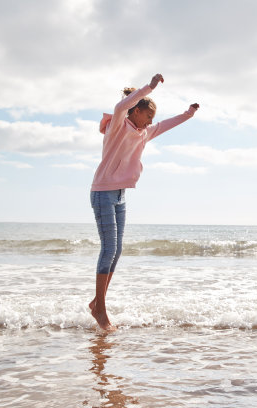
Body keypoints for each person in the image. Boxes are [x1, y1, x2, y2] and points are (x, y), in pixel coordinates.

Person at [89, 72, 199, 330]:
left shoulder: (144, 133)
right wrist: (148, 88)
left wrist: (188, 114)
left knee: (116, 251)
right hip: (103, 191)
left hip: (120, 195)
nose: (151, 122)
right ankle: (101, 310)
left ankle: (98, 302)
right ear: (135, 111)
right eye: (147, 115)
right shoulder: (118, 125)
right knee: (108, 249)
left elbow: (168, 124)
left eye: (152, 118)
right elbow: (119, 107)